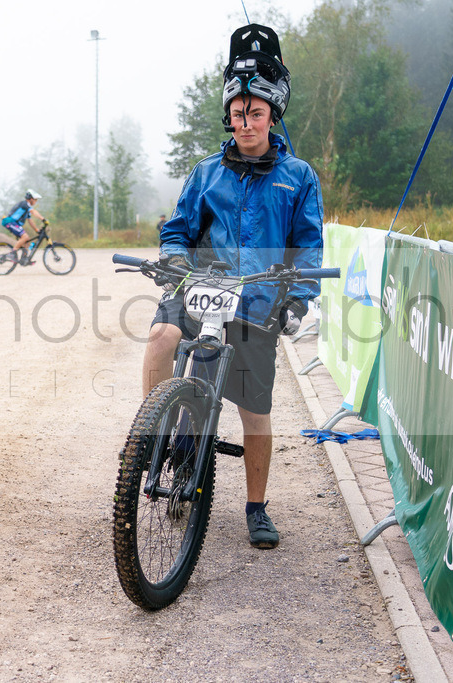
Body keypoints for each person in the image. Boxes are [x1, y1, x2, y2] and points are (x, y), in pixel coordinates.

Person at [142, 24, 323, 549]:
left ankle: (256, 507)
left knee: (254, 410)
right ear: (229, 115)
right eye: (238, 113)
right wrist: (175, 261)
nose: (246, 122)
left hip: (258, 300)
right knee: (160, 339)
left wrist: (299, 297)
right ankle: (149, 439)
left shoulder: (298, 177)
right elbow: (176, 230)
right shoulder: (205, 173)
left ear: (273, 115)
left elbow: (308, 244)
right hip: (198, 289)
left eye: (257, 113)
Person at [1, 190, 47, 260]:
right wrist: (43, 219)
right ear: (31, 199)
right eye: (35, 200)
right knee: (25, 237)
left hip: (14, 223)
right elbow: (33, 212)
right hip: (9, 221)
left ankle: (24, 259)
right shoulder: (24, 204)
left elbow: (30, 221)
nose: (36, 201)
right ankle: (12, 253)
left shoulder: (27, 209)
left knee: (27, 240)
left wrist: (37, 230)